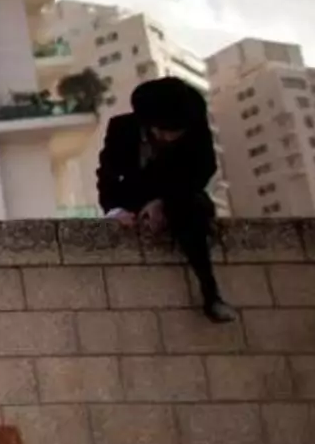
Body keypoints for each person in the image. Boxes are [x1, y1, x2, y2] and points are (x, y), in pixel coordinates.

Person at [99, 77, 236, 322]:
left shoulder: (195, 129)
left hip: (180, 194)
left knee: (191, 209)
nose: (169, 138)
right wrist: (115, 210)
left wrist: (163, 201)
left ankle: (211, 294)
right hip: (135, 196)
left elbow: (204, 169)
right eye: (164, 132)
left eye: (175, 133)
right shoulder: (121, 128)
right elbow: (107, 174)